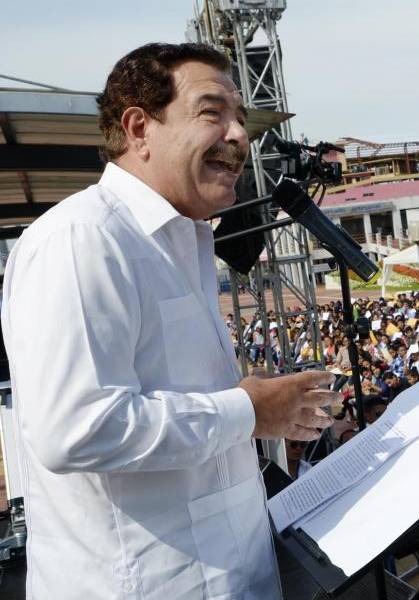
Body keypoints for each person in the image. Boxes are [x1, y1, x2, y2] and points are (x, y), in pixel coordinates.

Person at [0, 43, 338, 599]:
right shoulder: (82, 239)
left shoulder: (183, 241)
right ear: (139, 128)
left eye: (239, 117)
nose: (239, 134)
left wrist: (271, 412)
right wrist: (247, 409)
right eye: (213, 112)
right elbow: (75, 429)